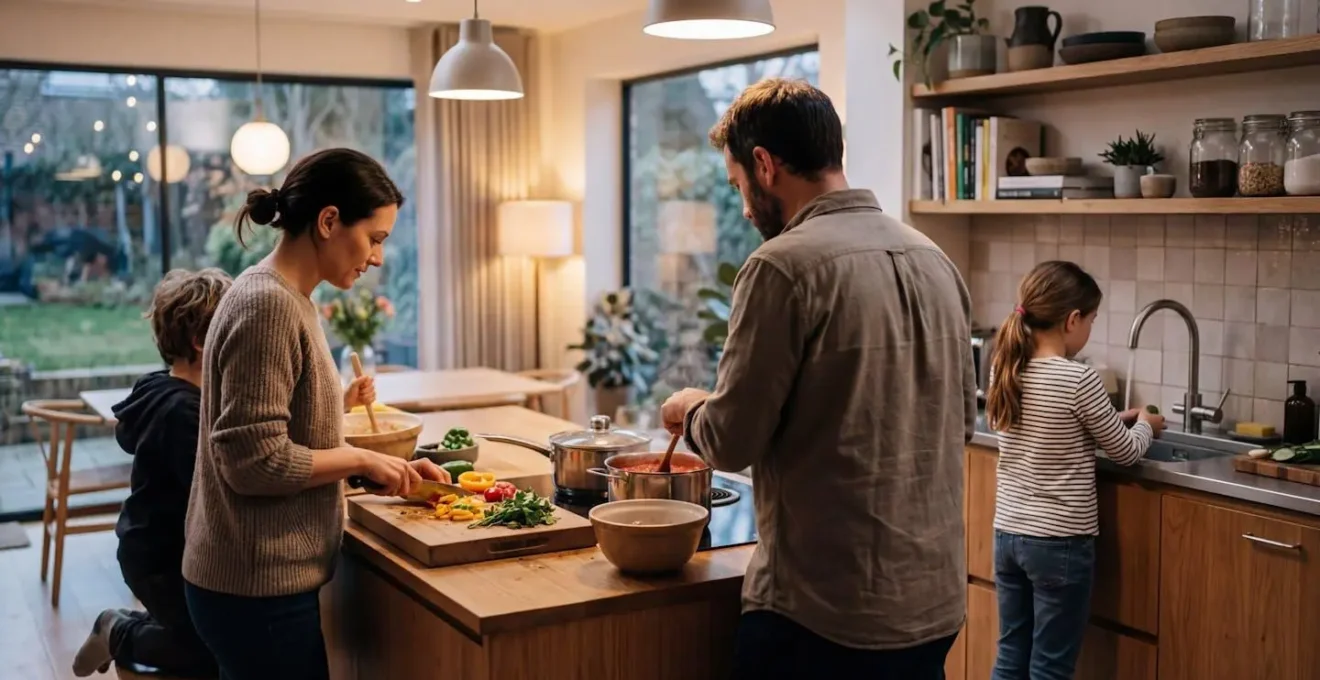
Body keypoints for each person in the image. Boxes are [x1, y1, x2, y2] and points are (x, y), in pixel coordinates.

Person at [660, 78, 976, 677]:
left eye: (738, 188)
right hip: (933, 609)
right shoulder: (935, 260)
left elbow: (730, 440)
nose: (746, 208)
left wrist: (694, 407)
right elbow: (958, 421)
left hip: (825, 615)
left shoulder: (781, 267)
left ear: (764, 164)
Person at [182, 148, 447, 680]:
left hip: (257, 585)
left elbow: (295, 434)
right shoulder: (268, 305)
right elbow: (252, 463)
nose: (376, 258)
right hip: (254, 590)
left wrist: (383, 469)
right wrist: (357, 461)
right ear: (329, 221)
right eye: (375, 239)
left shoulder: (288, 298)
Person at [985, 261, 1165, 680]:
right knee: (1050, 667)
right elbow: (1126, 453)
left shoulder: (1005, 368)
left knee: (1011, 656)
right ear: (1072, 320)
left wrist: (1109, 418)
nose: (1089, 331)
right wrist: (1145, 425)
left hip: (1008, 534)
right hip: (1058, 543)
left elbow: (1049, 426)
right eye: (1091, 320)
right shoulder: (1078, 379)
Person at [72, 268, 233, 678]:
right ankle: (118, 630)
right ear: (202, 343)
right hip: (161, 558)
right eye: (233, 335)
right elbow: (215, 485)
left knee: (209, 639)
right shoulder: (182, 411)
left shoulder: (170, 390)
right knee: (209, 648)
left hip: (152, 545)